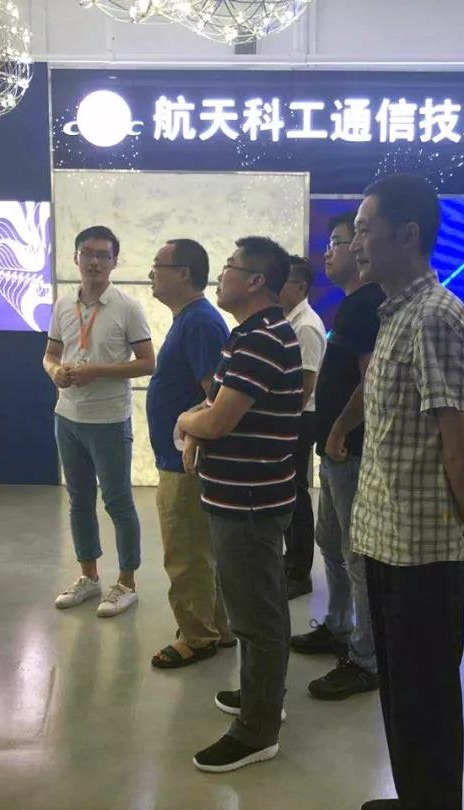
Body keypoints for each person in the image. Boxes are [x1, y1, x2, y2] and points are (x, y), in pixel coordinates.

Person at [329, 175, 464, 810]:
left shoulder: (433, 319)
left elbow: (460, 447)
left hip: (423, 552)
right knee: (401, 689)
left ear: (408, 235)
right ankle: (415, 798)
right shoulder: (396, 313)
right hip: (387, 538)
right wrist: (339, 429)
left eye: (365, 230)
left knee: (426, 695)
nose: (355, 243)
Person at [176, 236, 301, 773]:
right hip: (239, 497)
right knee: (253, 608)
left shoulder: (262, 340)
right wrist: (198, 424)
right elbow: (215, 404)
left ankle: (258, 729)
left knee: (256, 616)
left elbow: (218, 418)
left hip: (250, 503)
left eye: (229, 267)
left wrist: (186, 423)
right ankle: (260, 695)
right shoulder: (246, 335)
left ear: (255, 281)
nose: (220, 275)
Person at [290, 211, 386, 702]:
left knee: (354, 552)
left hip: (349, 449)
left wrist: (339, 431)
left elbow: (372, 382)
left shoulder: (366, 306)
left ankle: (366, 658)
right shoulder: (351, 306)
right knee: (330, 540)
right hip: (334, 451)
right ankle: (338, 624)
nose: (329, 251)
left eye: (339, 241)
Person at [45, 225, 155, 618]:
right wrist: (54, 372)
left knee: (118, 502)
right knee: (78, 501)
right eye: (87, 253)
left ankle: (126, 583)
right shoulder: (63, 305)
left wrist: (98, 371)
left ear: (114, 261)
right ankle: (89, 576)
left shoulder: (127, 307)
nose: (94, 261)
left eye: (103, 255)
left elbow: (147, 362)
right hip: (67, 417)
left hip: (108, 420)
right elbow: (50, 354)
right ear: (75, 257)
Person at [145, 238, 236, 669]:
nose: (151, 273)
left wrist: (189, 433)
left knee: (184, 553)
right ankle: (216, 626)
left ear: (183, 273)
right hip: (180, 458)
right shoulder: (191, 319)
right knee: (199, 549)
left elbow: (215, 398)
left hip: (186, 462)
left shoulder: (199, 322)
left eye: (158, 265)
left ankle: (197, 637)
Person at [279, 255, 328, 599]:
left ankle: (299, 573)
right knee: (287, 493)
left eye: (282, 281)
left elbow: (306, 386)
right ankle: (290, 561)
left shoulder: (306, 326)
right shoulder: (288, 320)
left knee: (295, 495)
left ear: (300, 288)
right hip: (291, 418)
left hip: (300, 418)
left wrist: (282, 424)